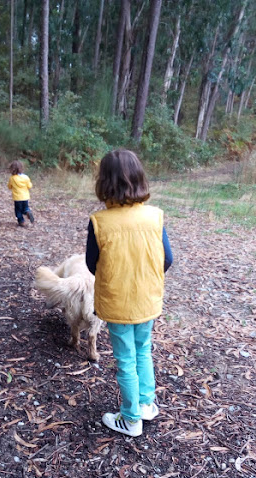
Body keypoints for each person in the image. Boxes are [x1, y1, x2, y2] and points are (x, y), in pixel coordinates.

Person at [86, 149, 173, 437]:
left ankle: (131, 418)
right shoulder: (155, 217)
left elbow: (91, 263)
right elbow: (168, 259)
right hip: (147, 300)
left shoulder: (100, 222)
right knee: (143, 350)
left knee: (125, 359)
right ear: (139, 179)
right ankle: (146, 404)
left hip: (117, 303)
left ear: (104, 183)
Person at [8, 160, 34, 227]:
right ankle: (27, 212)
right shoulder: (26, 177)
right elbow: (29, 186)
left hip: (17, 198)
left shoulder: (12, 178)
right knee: (25, 207)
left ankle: (21, 221)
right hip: (25, 197)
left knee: (18, 210)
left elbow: (9, 186)